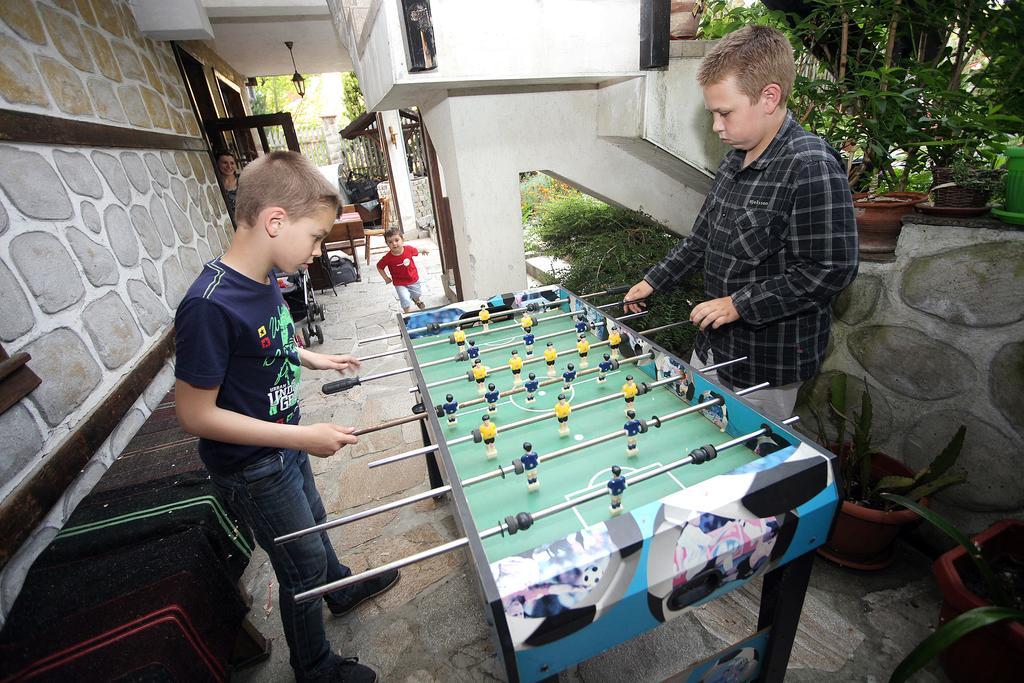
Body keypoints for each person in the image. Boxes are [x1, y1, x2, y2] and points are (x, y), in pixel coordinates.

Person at [174, 151, 396, 683]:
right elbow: (194, 414)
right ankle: (314, 667)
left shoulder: (263, 278)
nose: (319, 248)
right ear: (275, 221)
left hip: (284, 446)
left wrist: (313, 356)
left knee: (315, 524)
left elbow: (268, 342)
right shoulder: (209, 305)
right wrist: (299, 435)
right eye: (316, 237)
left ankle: (338, 588)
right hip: (253, 465)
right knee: (299, 569)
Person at [624, 25, 858, 422]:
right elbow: (701, 238)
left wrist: (739, 304)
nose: (717, 126)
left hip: (767, 365)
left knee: (749, 461)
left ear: (769, 97)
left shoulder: (810, 166)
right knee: (696, 433)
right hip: (714, 346)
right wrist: (653, 280)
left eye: (724, 112)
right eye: (714, 113)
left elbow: (831, 270)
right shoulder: (735, 158)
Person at [376, 227, 428, 313]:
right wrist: (386, 278)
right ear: (387, 244)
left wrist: (422, 250)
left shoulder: (408, 249)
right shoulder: (387, 258)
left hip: (413, 279)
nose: (394, 244)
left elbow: (416, 251)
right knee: (404, 299)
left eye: (396, 240)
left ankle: (417, 300)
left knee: (416, 294)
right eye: (390, 242)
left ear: (402, 240)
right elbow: (379, 266)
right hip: (399, 283)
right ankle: (407, 313)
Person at [215, 150, 239, 221]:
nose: (229, 166)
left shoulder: (244, 180)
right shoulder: (214, 184)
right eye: (225, 163)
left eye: (232, 163)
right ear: (217, 164)